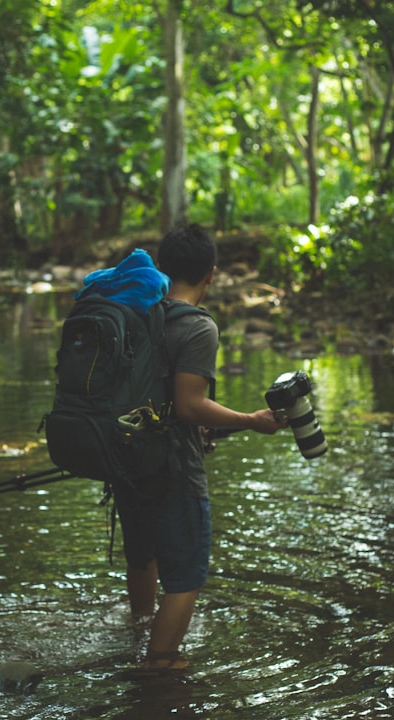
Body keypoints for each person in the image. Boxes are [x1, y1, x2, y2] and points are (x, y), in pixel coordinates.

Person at [112, 223, 286, 675]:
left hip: (127, 460)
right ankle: (160, 664)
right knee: (186, 573)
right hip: (172, 468)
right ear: (211, 274)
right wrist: (251, 421)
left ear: (163, 269)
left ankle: (140, 632)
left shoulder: (135, 316)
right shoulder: (196, 327)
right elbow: (190, 405)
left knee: (143, 555)